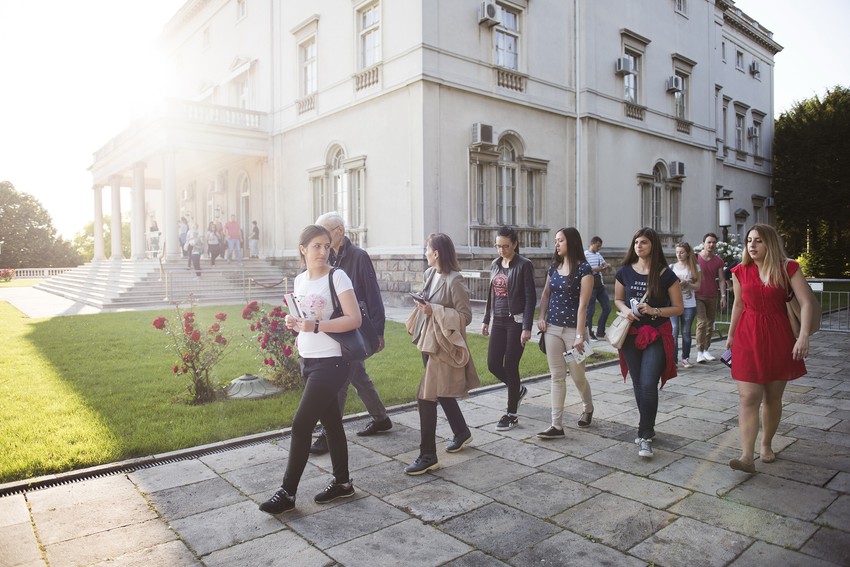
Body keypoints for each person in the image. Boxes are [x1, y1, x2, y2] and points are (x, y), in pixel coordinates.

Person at [259, 224, 361, 514]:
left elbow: (354, 319)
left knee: (301, 425)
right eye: (316, 246)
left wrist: (316, 325)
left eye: (326, 246)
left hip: (332, 362)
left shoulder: (337, 277)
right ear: (303, 249)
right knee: (331, 424)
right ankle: (343, 483)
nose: (323, 251)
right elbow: (303, 319)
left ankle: (287, 493)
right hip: (309, 359)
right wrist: (295, 323)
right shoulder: (300, 279)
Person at [725, 224, 816, 474]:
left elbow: (807, 303)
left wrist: (803, 336)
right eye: (749, 240)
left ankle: (766, 444)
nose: (752, 245)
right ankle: (746, 456)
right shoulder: (740, 271)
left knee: (772, 397)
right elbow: (738, 304)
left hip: (779, 337)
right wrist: (731, 335)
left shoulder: (788, 268)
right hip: (747, 336)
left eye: (758, 241)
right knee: (748, 396)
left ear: (770, 243)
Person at [308, 212, 392, 455]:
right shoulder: (327, 256)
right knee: (358, 376)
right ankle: (381, 418)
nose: (321, 239)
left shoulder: (359, 257)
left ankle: (327, 434)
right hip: (336, 328)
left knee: (340, 381)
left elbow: (373, 294)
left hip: (355, 328)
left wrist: (378, 332)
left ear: (339, 231)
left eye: (324, 232)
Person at [404, 233, 480, 475]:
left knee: (425, 397)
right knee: (439, 391)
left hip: (443, 347)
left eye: (427, 249)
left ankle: (428, 455)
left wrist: (434, 310)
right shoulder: (430, 274)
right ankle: (462, 432)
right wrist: (424, 305)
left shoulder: (454, 280)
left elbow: (466, 316)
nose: (425, 252)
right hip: (428, 341)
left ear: (436, 253)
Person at [614, 227, 683, 458]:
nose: (638, 246)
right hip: (631, 335)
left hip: (656, 335)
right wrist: (626, 311)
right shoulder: (624, 271)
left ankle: (644, 435)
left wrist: (654, 310)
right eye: (636, 242)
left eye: (643, 242)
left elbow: (678, 308)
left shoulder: (665, 274)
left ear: (653, 245)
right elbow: (618, 299)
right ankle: (649, 426)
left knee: (647, 383)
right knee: (638, 384)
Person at [536, 227, 594, 439]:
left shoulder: (584, 270)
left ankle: (588, 407)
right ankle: (556, 425)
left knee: (578, 377)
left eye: (560, 240)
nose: (556, 244)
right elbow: (546, 295)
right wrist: (541, 317)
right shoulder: (554, 266)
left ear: (571, 241)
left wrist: (579, 336)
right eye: (556, 240)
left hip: (573, 332)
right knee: (557, 376)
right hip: (552, 329)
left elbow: (583, 306)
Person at [481, 226, 536, 431]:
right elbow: (491, 295)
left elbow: (530, 298)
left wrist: (527, 327)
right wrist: (486, 319)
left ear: (514, 244)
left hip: (516, 322)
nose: (501, 250)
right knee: (493, 364)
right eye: (498, 246)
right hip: (498, 321)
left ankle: (511, 414)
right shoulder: (495, 264)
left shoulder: (524, 265)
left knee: (511, 366)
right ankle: (517, 389)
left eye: (505, 246)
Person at [695, 233, 727, 362]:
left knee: (709, 324)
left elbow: (721, 279)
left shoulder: (718, 260)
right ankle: (699, 351)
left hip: (712, 295)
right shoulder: (696, 258)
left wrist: (723, 296)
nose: (711, 244)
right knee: (702, 322)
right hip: (698, 295)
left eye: (714, 242)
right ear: (703, 244)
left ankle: (705, 350)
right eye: (709, 242)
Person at [669, 242, 701, 368]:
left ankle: (685, 358)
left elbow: (698, 286)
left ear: (687, 253)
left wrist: (687, 283)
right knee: (674, 331)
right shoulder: (671, 267)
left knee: (686, 332)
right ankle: (673, 361)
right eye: (677, 252)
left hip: (689, 304)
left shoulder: (695, 267)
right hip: (673, 304)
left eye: (681, 252)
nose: (679, 255)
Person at [584, 236, 612, 341]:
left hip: (600, 285)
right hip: (590, 286)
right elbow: (582, 270)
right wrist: (595, 269)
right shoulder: (585, 255)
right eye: (598, 246)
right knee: (590, 311)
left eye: (600, 246)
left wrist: (607, 266)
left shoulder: (598, 255)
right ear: (592, 243)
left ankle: (600, 331)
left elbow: (604, 265)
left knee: (607, 308)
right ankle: (589, 332)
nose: (599, 248)